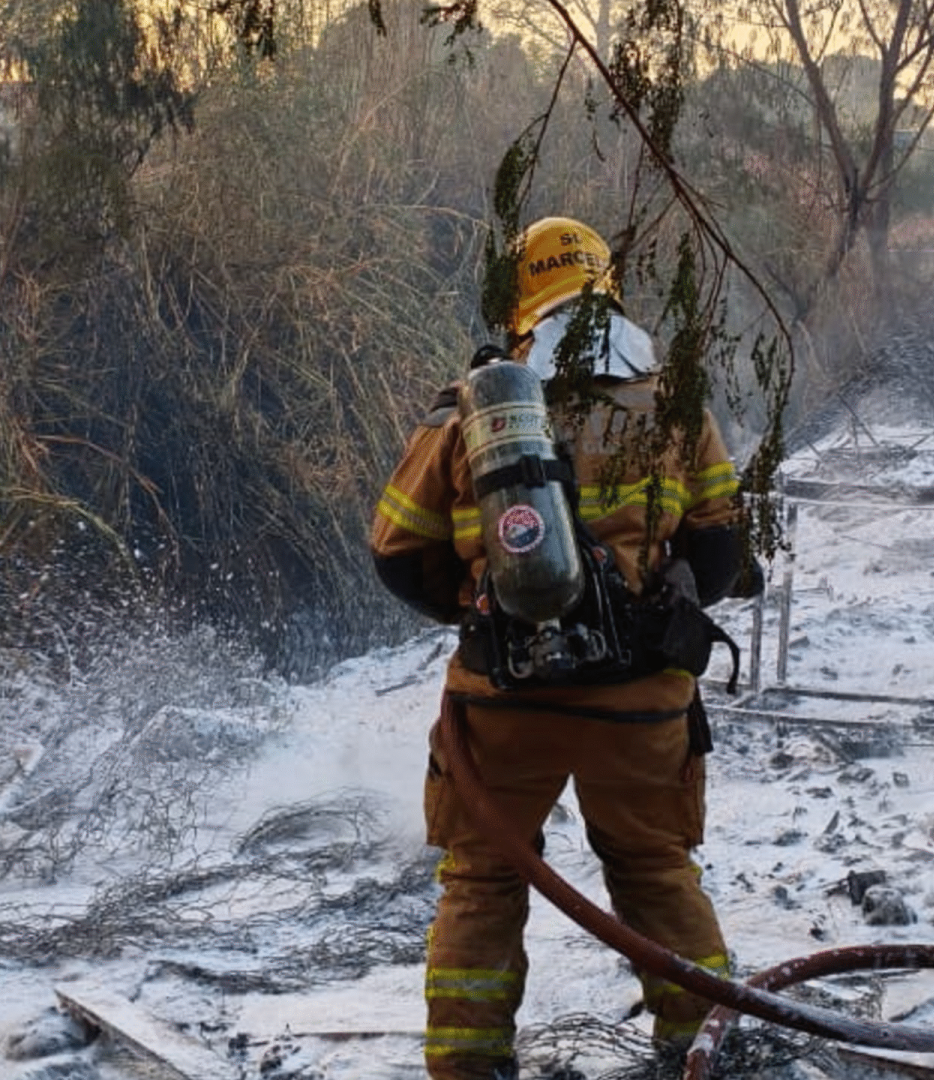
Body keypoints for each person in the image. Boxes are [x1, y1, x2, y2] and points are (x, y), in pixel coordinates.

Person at [369, 216, 754, 1080]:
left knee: (483, 882)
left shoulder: (471, 410)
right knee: (656, 872)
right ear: (606, 292)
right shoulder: (674, 403)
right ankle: (701, 1056)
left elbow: (394, 551)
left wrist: (481, 609)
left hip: (503, 703)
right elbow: (725, 556)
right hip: (642, 705)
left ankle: (468, 1070)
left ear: (520, 310)